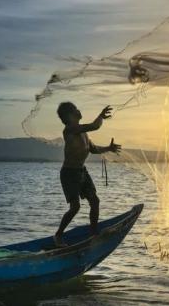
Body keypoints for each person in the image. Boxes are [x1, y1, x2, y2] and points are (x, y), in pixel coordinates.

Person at [53, 102, 121, 247]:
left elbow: (93, 149)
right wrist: (101, 116)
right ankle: (58, 236)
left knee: (95, 201)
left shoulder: (83, 132)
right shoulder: (70, 130)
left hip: (82, 171)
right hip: (69, 174)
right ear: (69, 115)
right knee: (75, 207)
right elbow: (95, 126)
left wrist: (108, 148)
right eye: (76, 109)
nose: (79, 110)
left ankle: (93, 233)